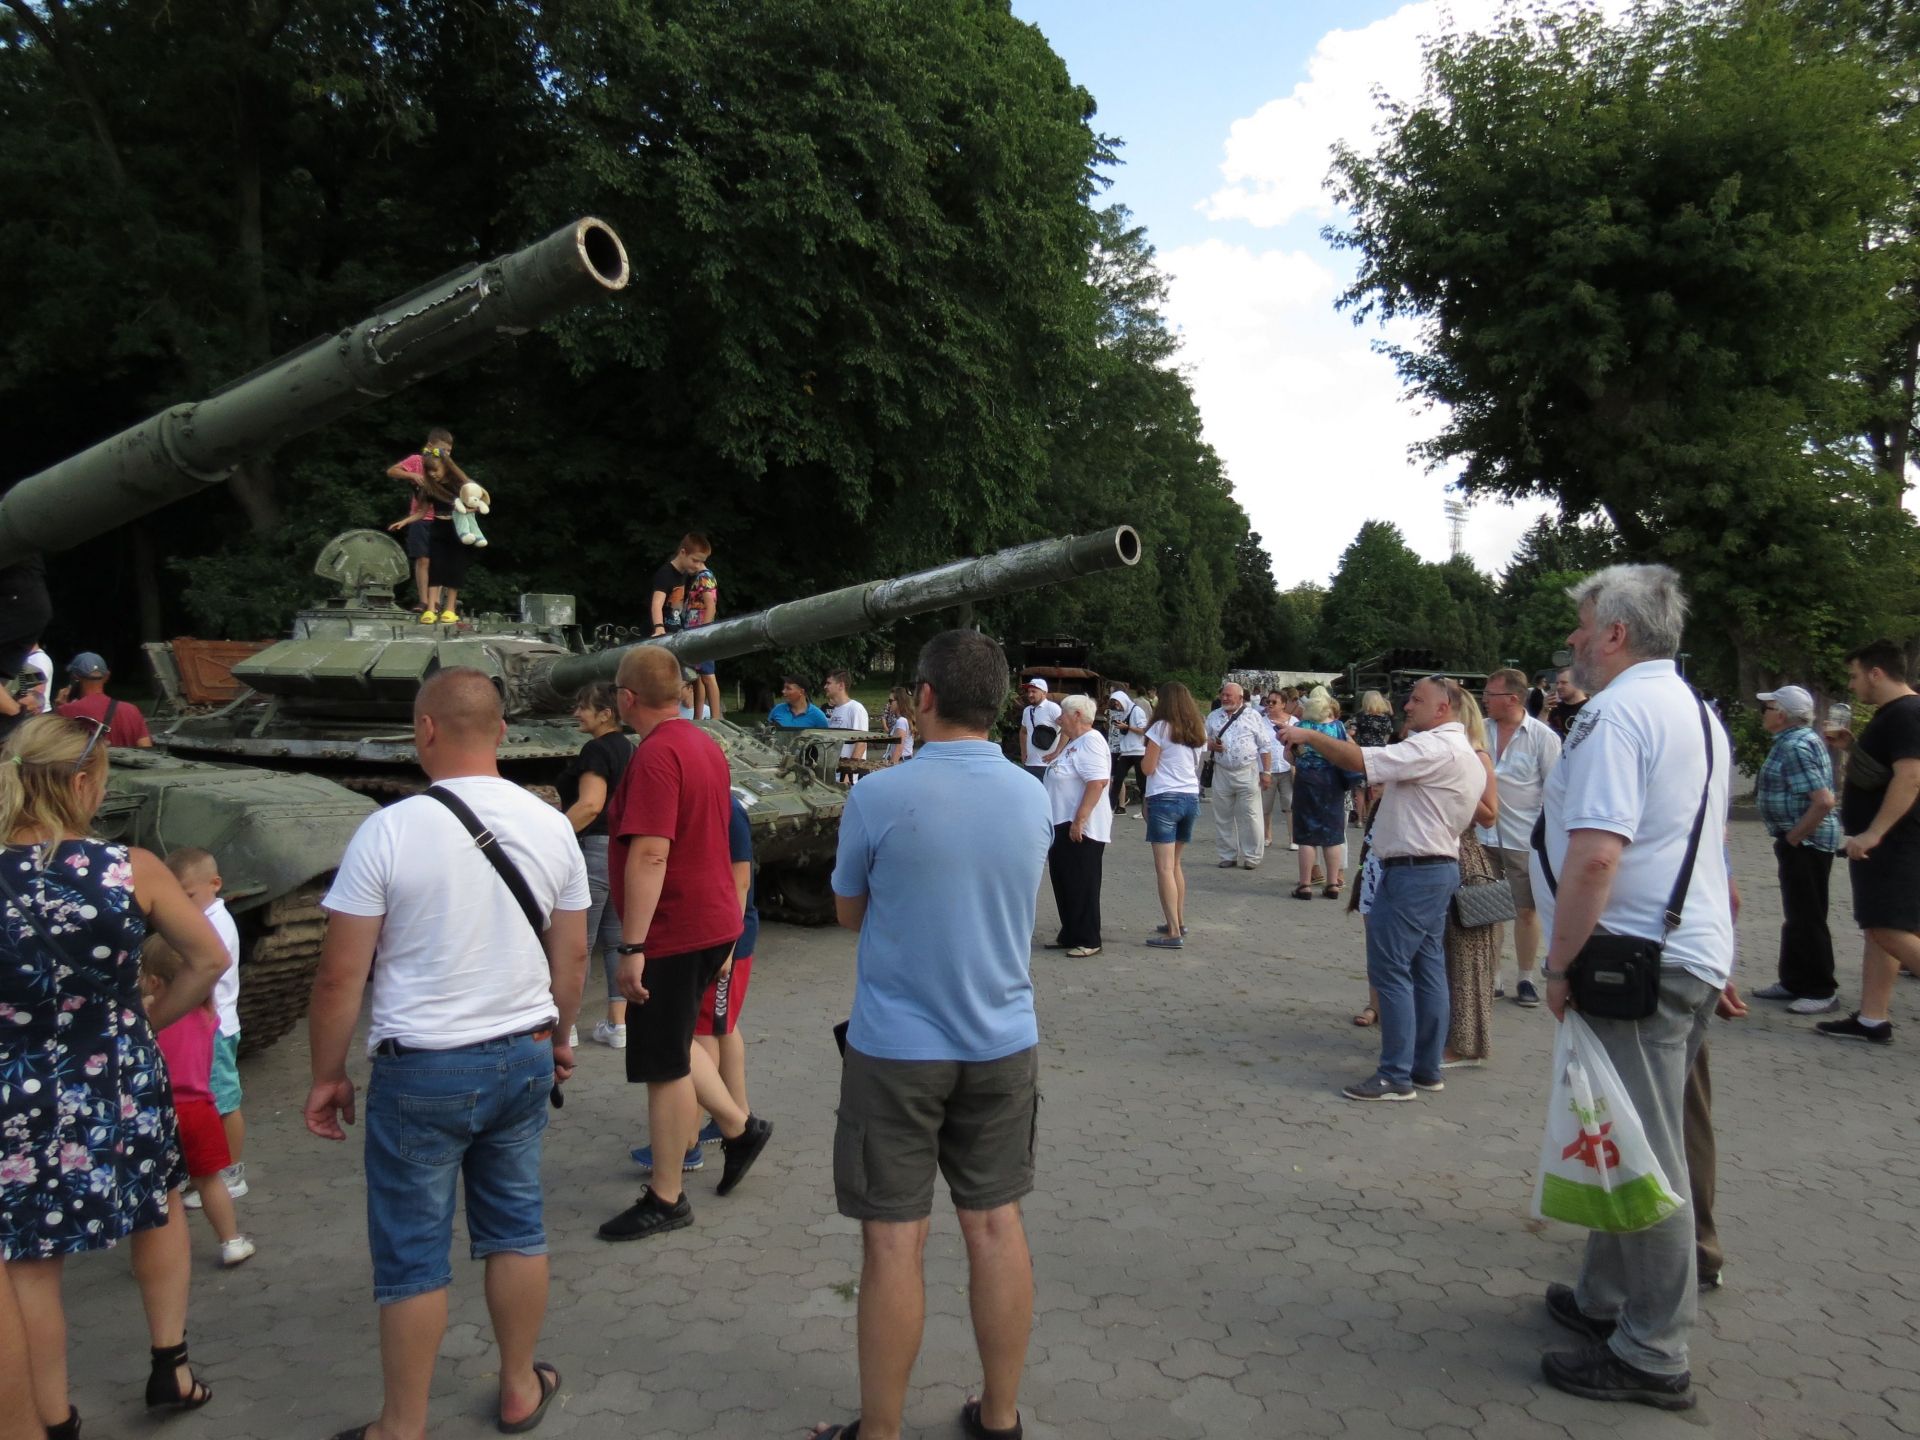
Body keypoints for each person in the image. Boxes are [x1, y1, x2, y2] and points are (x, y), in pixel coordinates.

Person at [305, 668, 588, 1439]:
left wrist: (327, 1075)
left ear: (425, 729)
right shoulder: (552, 826)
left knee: (412, 1253)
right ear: (502, 732)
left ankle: (402, 1425)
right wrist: (562, 1036)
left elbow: (339, 977)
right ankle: (519, 1388)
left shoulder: (387, 831)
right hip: (524, 1055)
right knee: (517, 1227)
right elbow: (571, 958)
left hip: (422, 1069)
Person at [812, 629, 1052, 1440]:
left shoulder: (879, 795)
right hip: (1002, 1040)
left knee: (892, 1242)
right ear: (1002, 703)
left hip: (896, 1049)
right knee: (995, 1224)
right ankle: (1001, 1415)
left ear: (923, 698)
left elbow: (848, 912)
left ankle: (880, 1430)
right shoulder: (1031, 795)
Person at [1531, 564, 1733, 1410]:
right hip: (1679, 953)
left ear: (1615, 633)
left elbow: (1597, 854)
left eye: (1583, 625)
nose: (1573, 639)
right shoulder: (1695, 711)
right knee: (1622, 1137)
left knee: (1646, 1155)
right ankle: (1605, 1299)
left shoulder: (1617, 714)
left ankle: (1653, 1350)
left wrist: (1558, 964)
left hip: (1634, 962)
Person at [0, 714, 232, 1436]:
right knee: (157, 1203)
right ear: (79, 783)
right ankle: (170, 1366)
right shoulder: (128, 867)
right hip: (117, 1075)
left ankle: (50, 1416)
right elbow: (208, 960)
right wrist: (146, 1023)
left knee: (29, 1256)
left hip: (16, 1084)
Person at [599, 646, 772, 1242]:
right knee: (676, 1041)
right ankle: (739, 1128)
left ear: (627, 698)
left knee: (664, 1064)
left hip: (673, 928)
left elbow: (651, 852)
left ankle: (667, 1196)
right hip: (713, 920)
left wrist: (632, 947)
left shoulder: (654, 755)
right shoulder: (703, 744)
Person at [1284, 677, 1481, 1101]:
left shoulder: (1433, 747)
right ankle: (1424, 1069)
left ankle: (1395, 1075)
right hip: (1433, 868)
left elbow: (1361, 759)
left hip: (1414, 871)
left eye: (1417, 700)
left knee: (1391, 970)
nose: (1407, 706)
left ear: (1443, 708)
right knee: (1427, 969)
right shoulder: (1459, 748)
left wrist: (1309, 735)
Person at [1817, 639, 1920, 1042]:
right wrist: (1853, 748)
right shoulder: (1894, 714)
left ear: (1876, 673)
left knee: (1888, 930)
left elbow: (1910, 777)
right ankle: (1872, 1018)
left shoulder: (1907, 713)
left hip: (1895, 842)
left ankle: (1873, 1018)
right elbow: (1885, 772)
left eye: (1854, 675)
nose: (1851, 684)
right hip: (1889, 842)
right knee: (1881, 928)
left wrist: (1874, 832)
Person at [141, 936, 256, 1267]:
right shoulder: (206, 1013)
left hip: (159, 1110)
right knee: (210, 1180)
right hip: (200, 1110)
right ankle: (231, 1241)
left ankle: (155, 1259)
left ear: (154, 982)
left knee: (160, 1188)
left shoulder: (149, 1017)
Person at [1746, 684, 1841, 1015]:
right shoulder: (1792, 741)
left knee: (1808, 916)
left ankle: (1820, 989)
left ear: (1782, 715)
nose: (1763, 714)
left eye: (1767, 708)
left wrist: (1794, 838)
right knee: (1797, 915)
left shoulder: (1796, 746)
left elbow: (1823, 801)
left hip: (1807, 843)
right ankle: (1794, 980)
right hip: (1799, 841)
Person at [164, 849, 250, 1211]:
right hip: (203, 1027)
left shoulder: (214, 924)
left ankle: (229, 1172)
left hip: (214, 1028)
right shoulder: (202, 917)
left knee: (222, 1102)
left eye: (187, 895)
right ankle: (206, 1170)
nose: (180, 904)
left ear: (215, 884)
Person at [1478, 668, 1562, 1007]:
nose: (1484, 699)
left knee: (1526, 910)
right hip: (1481, 835)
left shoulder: (1543, 737)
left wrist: (1552, 840)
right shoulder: (1477, 730)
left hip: (1523, 839)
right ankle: (1493, 975)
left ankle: (1525, 977)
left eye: (1490, 694)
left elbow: (1556, 791)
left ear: (1512, 699)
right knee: (1486, 909)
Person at [558, 682, 634, 1048]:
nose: (576, 713)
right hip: (622, 852)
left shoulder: (596, 749)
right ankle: (617, 1025)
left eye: (583, 707)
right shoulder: (630, 748)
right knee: (617, 941)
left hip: (593, 852)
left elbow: (590, 805)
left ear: (605, 714)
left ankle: (567, 1025)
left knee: (577, 943)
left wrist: (552, 834)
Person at [1441, 692, 1501, 1067]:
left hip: (1466, 858)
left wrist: (1457, 781)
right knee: (1442, 956)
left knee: (1467, 958)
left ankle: (1466, 1043)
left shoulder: (1477, 757)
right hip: (1439, 853)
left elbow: (1490, 814)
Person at [1044, 694, 1111, 957]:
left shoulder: (1091, 741)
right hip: (1061, 822)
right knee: (1065, 880)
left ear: (1077, 715)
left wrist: (1080, 819)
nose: (1059, 718)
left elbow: (1097, 782)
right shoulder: (1075, 742)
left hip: (1080, 826)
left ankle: (1088, 937)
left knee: (1082, 881)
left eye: (1063, 713)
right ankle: (1070, 932)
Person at [1141, 681, 1206, 949]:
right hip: (1190, 796)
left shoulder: (1160, 728)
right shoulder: (1197, 730)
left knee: (1164, 868)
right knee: (1176, 864)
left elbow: (1148, 768)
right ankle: (1178, 920)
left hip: (1164, 797)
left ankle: (1173, 932)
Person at [1205, 681, 1274, 871]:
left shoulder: (1253, 716)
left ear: (1240, 698)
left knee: (1251, 815)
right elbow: (1203, 739)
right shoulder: (1213, 716)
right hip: (1222, 771)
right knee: (1222, 815)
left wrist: (1266, 772)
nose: (1224, 698)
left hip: (1247, 771)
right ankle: (1227, 855)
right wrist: (1211, 745)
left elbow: (1265, 746)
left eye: (1229, 695)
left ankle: (1252, 856)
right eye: (1223, 695)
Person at [1289, 689, 1350, 899]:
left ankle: (1305, 885)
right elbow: (1348, 751)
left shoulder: (1300, 727)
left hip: (1307, 781)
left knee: (1307, 836)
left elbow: (1290, 757)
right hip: (1332, 782)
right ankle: (1332, 884)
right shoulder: (1338, 727)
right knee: (1333, 835)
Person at [385, 427, 454, 612]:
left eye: (449, 450)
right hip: (420, 517)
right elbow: (392, 471)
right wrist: (412, 475)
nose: (446, 454)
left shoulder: (448, 467)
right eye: (442, 449)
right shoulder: (417, 461)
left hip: (442, 517)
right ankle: (423, 601)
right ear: (430, 446)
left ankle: (436, 601)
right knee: (423, 560)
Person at [416, 443, 482, 624]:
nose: (432, 474)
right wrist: (406, 521)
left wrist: (471, 509)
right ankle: (431, 609)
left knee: (455, 566)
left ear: (446, 466)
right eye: (429, 471)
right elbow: (422, 511)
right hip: (438, 527)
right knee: (436, 566)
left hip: (458, 529)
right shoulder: (430, 487)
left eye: (435, 470)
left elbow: (475, 499)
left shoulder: (459, 485)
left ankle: (450, 609)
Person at [54, 653, 153, 748]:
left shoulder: (65, 712)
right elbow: (146, 748)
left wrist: (59, 711)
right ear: (107, 676)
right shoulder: (131, 711)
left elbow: (57, 750)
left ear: (75, 677)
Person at [648, 533, 711, 639]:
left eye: (701, 562)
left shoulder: (685, 574)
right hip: (659, 635)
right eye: (695, 560)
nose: (698, 566)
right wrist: (659, 628)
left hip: (675, 632)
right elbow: (657, 603)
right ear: (683, 553)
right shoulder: (665, 574)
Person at [684, 556, 724, 720]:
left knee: (708, 676)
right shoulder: (699, 578)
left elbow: (710, 606)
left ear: (696, 560)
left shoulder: (705, 577)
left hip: (700, 633)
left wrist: (704, 632)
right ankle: (698, 717)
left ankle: (716, 717)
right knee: (697, 677)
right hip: (693, 632)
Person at [1259, 693, 1294, 847]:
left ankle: (1293, 838)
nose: (1270, 704)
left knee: (1290, 805)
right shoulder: (1261, 722)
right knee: (1265, 806)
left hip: (1288, 769)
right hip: (1268, 769)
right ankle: (1267, 836)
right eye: (1268, 701)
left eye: (1274, 702)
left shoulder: (1294, 721)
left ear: (1283, 704)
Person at [1107, 688, 1149, 815]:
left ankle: (1146, 810)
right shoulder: (1122, 712)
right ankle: (1109, 809)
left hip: (1138, 751)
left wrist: (1127, 727)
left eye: (1118, 703)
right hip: (1126, 751)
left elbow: (1143, 730)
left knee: (1142, 783)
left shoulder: (1137, 711)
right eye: (1115, 704)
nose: (1117, 706)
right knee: (1117, 779)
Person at [823, 670, 870, 772]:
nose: (825, 687)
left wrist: (848, 774)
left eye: (828, 683)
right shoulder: (836, 710)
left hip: (848, 776)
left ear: (841, 685)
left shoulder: (855, 708)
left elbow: (861, 743)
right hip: (835, 773)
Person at [1017, 678, 1063, 782]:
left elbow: (1067, 729)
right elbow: (1023, 732)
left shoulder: (1052, 708)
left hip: (1048, 765)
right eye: (1029, 691)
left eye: (1034, 691)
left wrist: (1057, 752)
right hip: (1029, 764)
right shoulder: (1027, 711)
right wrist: (1023, 752)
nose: (1030, 695)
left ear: (1044, 693)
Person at [1544, 666, 1588, 739]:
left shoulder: (1591, 708)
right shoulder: (1554, 708)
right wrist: (1544, 711)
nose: (1558, 687)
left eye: (1564, 683)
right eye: (1557, 683)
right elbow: (1538, 735)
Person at [882, 685, 916, 763]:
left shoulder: (901, 721)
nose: (888, 704)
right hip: (905, 760)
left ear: (899, 702)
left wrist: (891, 766)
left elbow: (899, 748)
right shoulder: (905, 720)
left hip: (901, 761)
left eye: (890, 701)